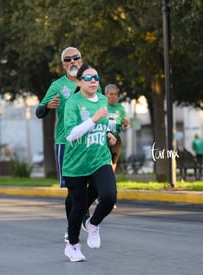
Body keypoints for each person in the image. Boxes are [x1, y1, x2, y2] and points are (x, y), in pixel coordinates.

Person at [35, 47, 97, 242]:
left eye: (76, 58)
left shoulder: (91, 81)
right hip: (66, 143)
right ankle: (72, 228)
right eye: (68, 59)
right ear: (63, 65)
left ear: (81, 60)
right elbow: (39, 111)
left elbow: (101, 107)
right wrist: (47, 106)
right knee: (73, 189)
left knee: (96, 182)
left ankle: (83, 211)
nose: (72, 61)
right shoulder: (57, 86)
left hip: (90, 142)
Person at [62, 64, 117, 262]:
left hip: (99, 159)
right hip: (75, 165)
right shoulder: (73, 103)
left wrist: (109, 133)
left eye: (96, 77)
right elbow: (70, 134)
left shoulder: (102, 98)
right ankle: (73, 245)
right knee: (79, 206)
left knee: (109, 196)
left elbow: (103, 124)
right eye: (87, 78)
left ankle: (93, 223)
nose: (93, 81)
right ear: (78, 82)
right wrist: (93, 119)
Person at [104, 84, 129, 172]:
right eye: (111, 94)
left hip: (116, 138)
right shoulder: (101, 105)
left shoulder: (120, 108)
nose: (113, 96)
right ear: (105, 94)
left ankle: (110, 179)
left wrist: (125, 125)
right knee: (105, 161)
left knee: (113, 162)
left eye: (115, 94)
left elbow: (123, 129)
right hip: (103, 137)